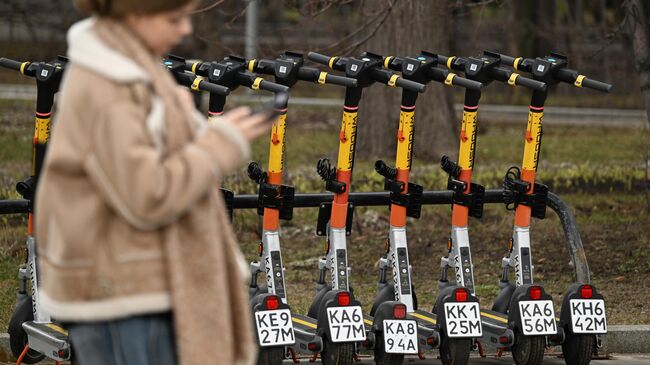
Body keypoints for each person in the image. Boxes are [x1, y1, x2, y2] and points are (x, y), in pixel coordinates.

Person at [34, 0, 269, 364]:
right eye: (174, 18)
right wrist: (216, 146)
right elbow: (148, 194)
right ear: (134, 15)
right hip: (124, 294)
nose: (185, 30)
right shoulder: (109, 85)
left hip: (133, 284)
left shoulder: (131, 67)